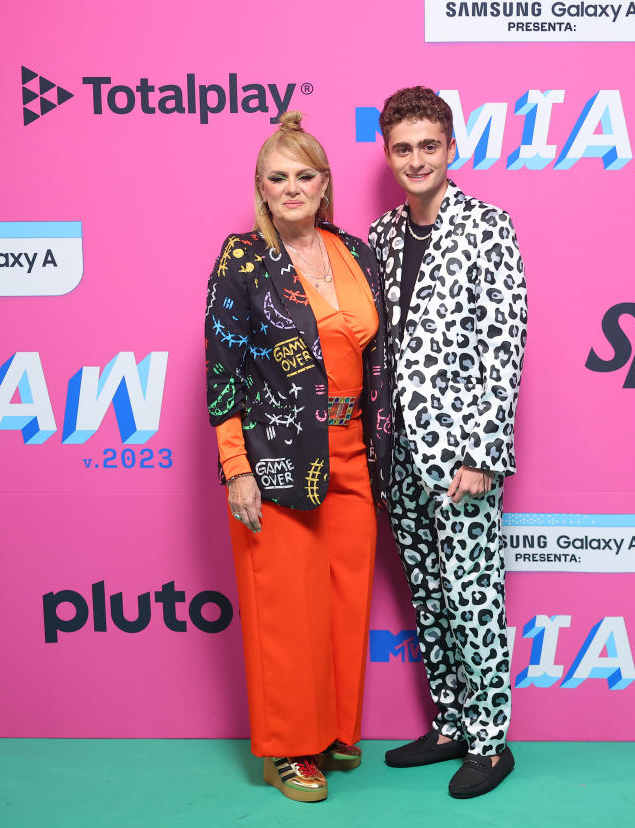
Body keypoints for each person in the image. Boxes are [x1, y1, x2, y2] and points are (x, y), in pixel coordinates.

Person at [204, 111, 391, 803]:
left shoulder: (355, 252)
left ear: (324, 183)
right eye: (277, 178)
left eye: (303, 175)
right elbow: (222, 370)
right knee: (283, 606)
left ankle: (334, 731)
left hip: (352, 455)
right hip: (278, 454)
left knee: (342, 601)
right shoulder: (242, 260)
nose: (291, 188)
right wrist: (235, 468)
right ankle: (286, 751)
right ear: (260, 186)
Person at [367, 86, 528, 799]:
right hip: (396, 452)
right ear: (388, 152)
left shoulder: (490, 227)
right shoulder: (379, 237)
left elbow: (505, 346)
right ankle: (452, 724)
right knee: (428, 595)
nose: (416, 159)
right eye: (403, 147)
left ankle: (491, 744)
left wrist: (484, 454)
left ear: (451, 148)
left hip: (461, 455)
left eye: (428, 145)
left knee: (473, 593)